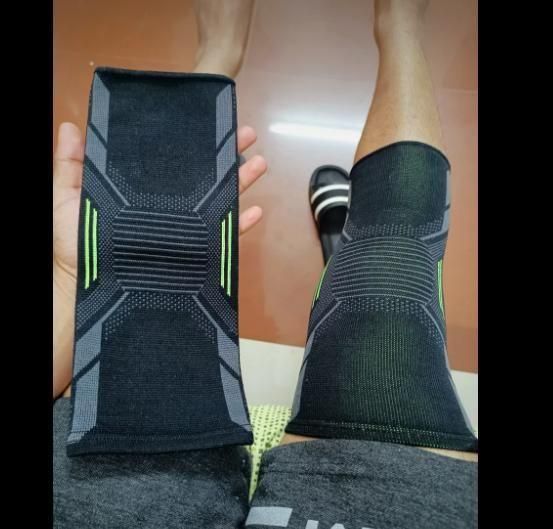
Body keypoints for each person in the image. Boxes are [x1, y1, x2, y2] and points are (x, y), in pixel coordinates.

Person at [53, 1, 477, 527]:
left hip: (105, 472)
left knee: (156, 246)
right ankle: (402, 23)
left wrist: (69, 282)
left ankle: (218, 56)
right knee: (390, 264)